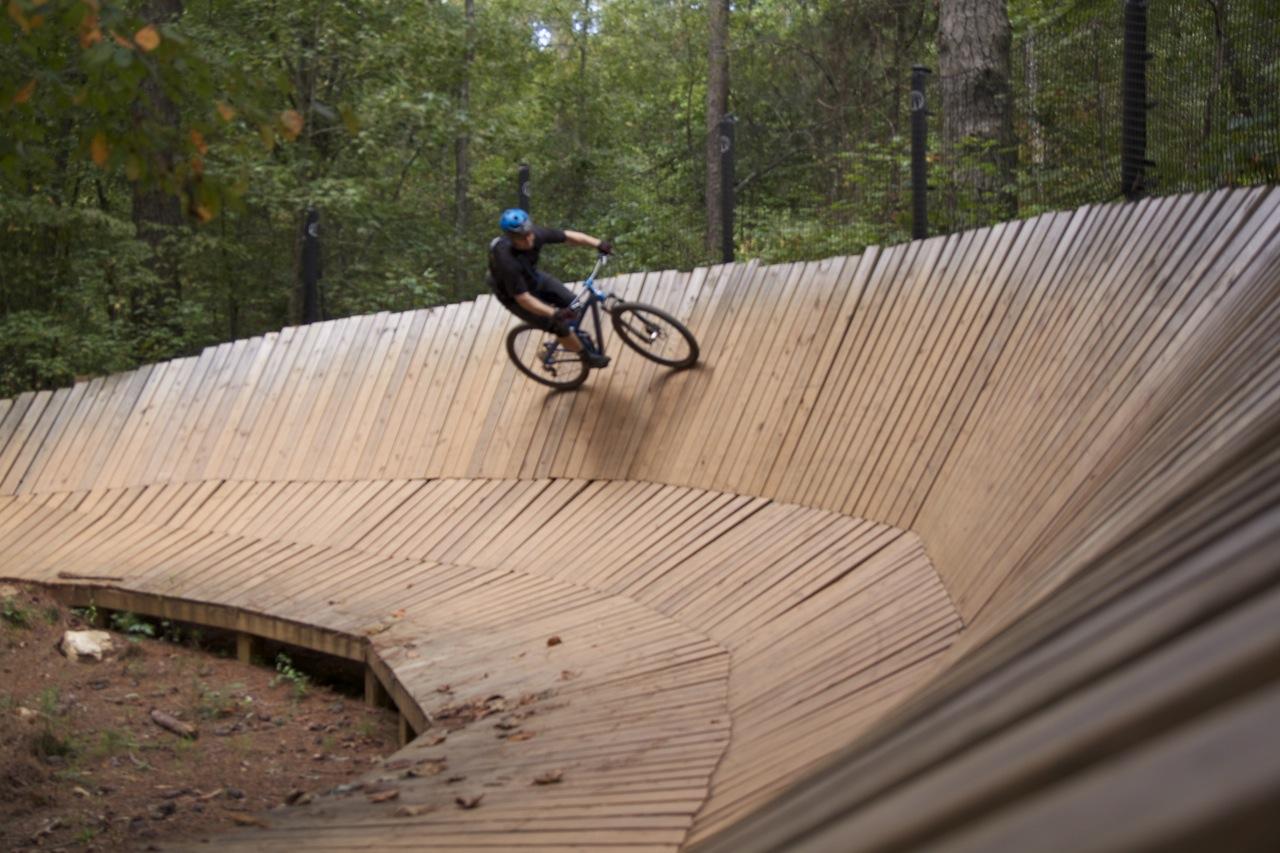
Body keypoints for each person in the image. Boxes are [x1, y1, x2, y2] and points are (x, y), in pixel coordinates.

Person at [488, 208, 613, 368]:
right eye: (523, 238)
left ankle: (568, 338)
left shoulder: (534, 234)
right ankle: (586, 357)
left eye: (529, 234)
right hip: (514, 296)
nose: (529, 240)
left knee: (574, 304)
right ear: (512, 239)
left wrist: (598, 243)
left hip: (533, 278)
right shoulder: (507, 262)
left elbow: (568, 236)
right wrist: (554, 313)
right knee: (558, 324)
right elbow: (524, 299)